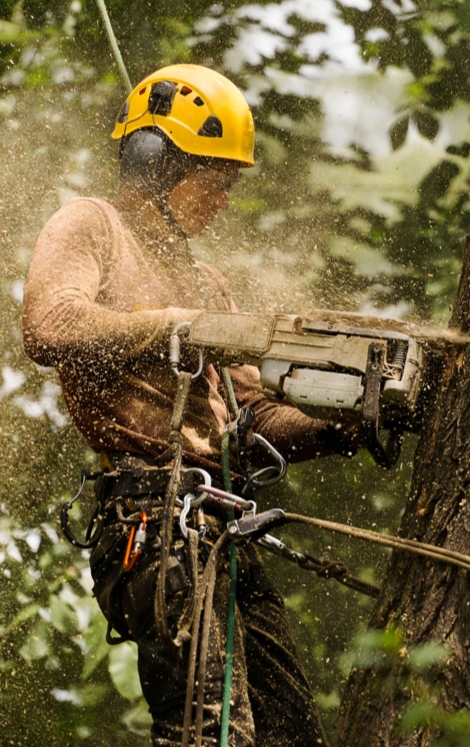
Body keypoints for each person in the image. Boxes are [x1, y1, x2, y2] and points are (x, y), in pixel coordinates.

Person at [22, 64, 359, 747]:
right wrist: (175, 323)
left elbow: (252, 420)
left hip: (220, 520)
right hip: (155, 515)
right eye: (218, 181)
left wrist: (344, 424)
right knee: (210, 732)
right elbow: (49, 324)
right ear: (157, 162)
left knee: (291, 730)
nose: (225, 201)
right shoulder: (93, 225)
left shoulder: (203, 278)